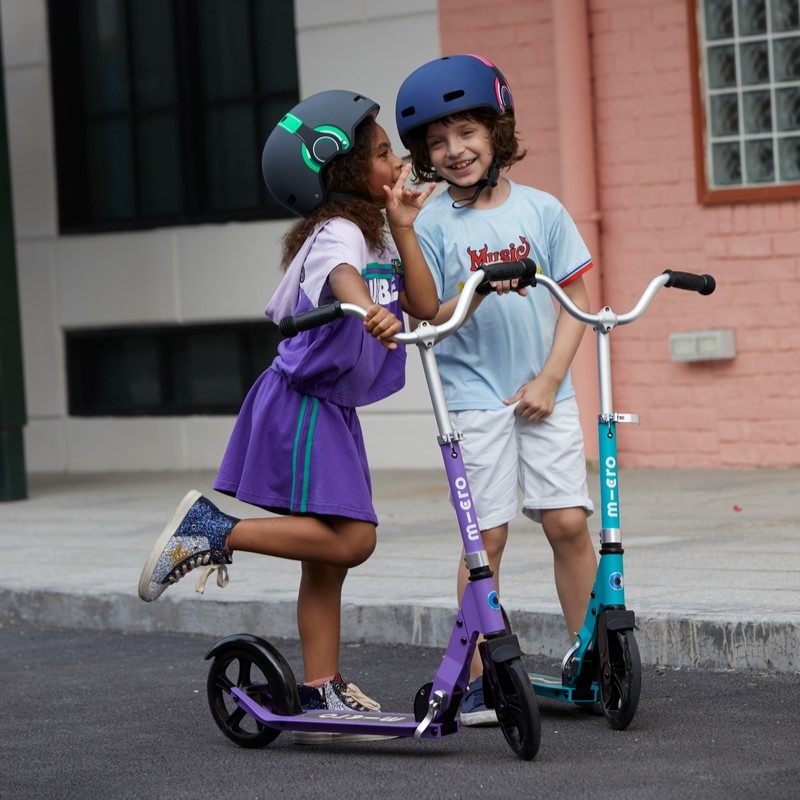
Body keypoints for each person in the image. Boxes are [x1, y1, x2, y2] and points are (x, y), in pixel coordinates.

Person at [138, 89, 438, 743]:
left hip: (328, 408)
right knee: (354, 540)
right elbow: (341, 277)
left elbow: (425, 304)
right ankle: (213, 530)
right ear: (340, 169)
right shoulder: (338, 232)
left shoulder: (377, 232)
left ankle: (321, 688)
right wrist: (366, 307)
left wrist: (406, 227)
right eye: (381, 153)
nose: (396, 161)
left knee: (327, 560)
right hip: (303, 403)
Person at [395, 55, 597, 726]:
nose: (453, 150)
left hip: (545, 393)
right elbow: (428, 312)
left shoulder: (543, 209)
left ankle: (592, 656)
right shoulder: (431, 224)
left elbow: (577, 302)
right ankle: (482, 679)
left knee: (568, 523)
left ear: (496, 132)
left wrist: (550, 379)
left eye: (466, 132)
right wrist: (476, 289)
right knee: (487, 538)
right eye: (437, 141)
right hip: (474, 396)